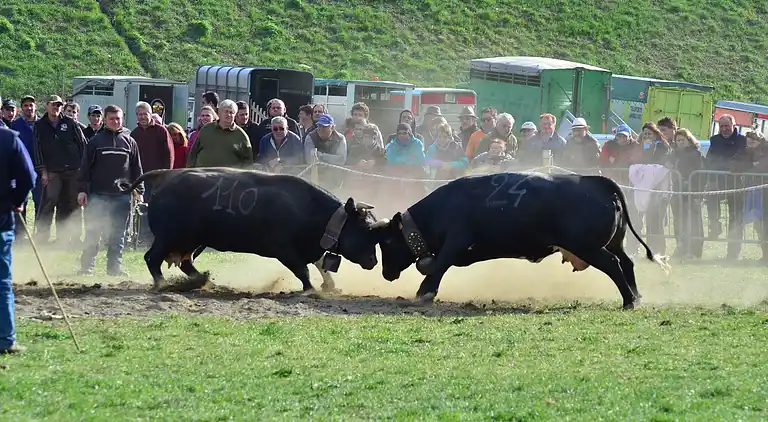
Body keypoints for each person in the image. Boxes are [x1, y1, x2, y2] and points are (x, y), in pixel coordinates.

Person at [76, 105, 144, 276]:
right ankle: (87, 267)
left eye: (118, 118)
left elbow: (137, 169)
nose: (115, 121)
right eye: (112, 118)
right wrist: (82, 190)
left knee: (118, 235)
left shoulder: (130, 142)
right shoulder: (95, 142)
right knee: (93, 232)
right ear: (105, 120)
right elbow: (84, 168)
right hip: (98, 195)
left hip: (122, 197)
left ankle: (114, 268)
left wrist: (139, 191)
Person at [0, 125, 36, 354]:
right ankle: (4, 339)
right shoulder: (8, 138)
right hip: (1, 218)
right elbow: (28, 176)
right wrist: (16, 201)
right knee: (1, 281)